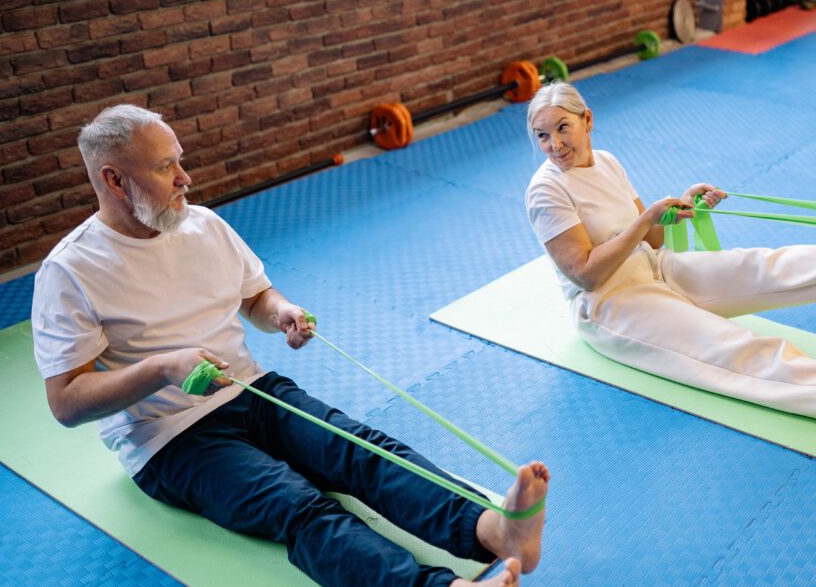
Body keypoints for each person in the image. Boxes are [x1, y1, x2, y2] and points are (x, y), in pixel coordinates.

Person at [32, 105, 548, 587]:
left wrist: (280, 312)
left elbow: (255, 295)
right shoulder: (70, 270)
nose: (185, 179)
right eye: (167, 168)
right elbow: (66, 403)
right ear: (114, 179)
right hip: (169, 439)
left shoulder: (203, 224)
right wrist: (164, 368)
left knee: (360, 449)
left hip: (253, 390)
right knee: (297, 506)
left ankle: (493, 531)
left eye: (180, 163)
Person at [524, 82, 816, 434]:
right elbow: (584, 274)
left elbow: (655, 239)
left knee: (762, 265)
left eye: (562, 128)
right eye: (541, 136)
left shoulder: (606, 161)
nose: (554, 145)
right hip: (609, 305)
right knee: (732, 345)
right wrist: (644, 224)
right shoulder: (546, 190)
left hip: (651, 268)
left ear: (587, 120)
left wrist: (681, 206)